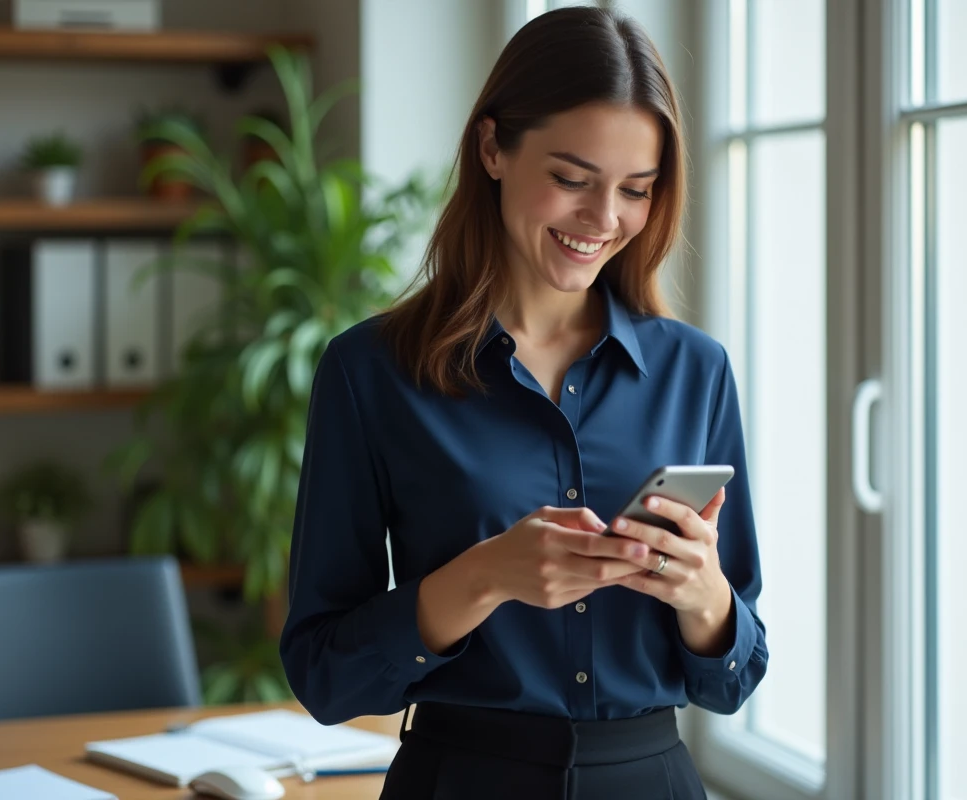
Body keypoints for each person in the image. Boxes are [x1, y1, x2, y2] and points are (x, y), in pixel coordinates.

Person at [280, 7, 768, 799]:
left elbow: (732, 678)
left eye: (636, 190)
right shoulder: (369, 373)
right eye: (572, 180)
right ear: (492, 148)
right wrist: (486, 576)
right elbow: (326, 676)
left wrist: (701, 592)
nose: (603, 220)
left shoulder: (696, 370)